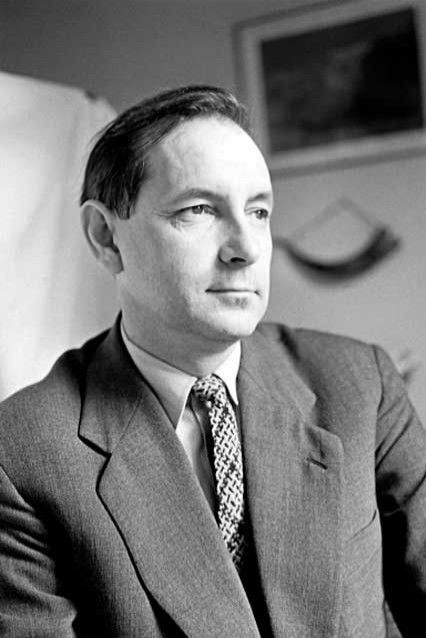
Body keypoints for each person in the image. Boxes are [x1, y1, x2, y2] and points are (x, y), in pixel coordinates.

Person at [0, 85, 425, 638]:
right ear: (106, 237)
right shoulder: (20, 455)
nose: (245, 248)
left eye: (258, 211)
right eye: (199, 210)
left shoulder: (361, 383)